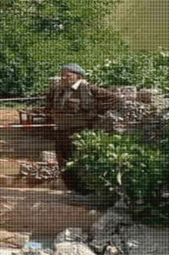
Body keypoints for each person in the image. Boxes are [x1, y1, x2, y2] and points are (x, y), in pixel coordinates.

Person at [43, 63, 117, 193]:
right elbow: (49, 104)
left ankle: (83, 190)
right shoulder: (60, 89)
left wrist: (95, 114)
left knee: (77, 159)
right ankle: (70, 188)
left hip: (78, 131)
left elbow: (114, 99)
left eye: (68, 74)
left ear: (78, 75)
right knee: (62, 160)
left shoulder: (88, 88)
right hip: (60, 130)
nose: (64, 77)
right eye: (63, 74)